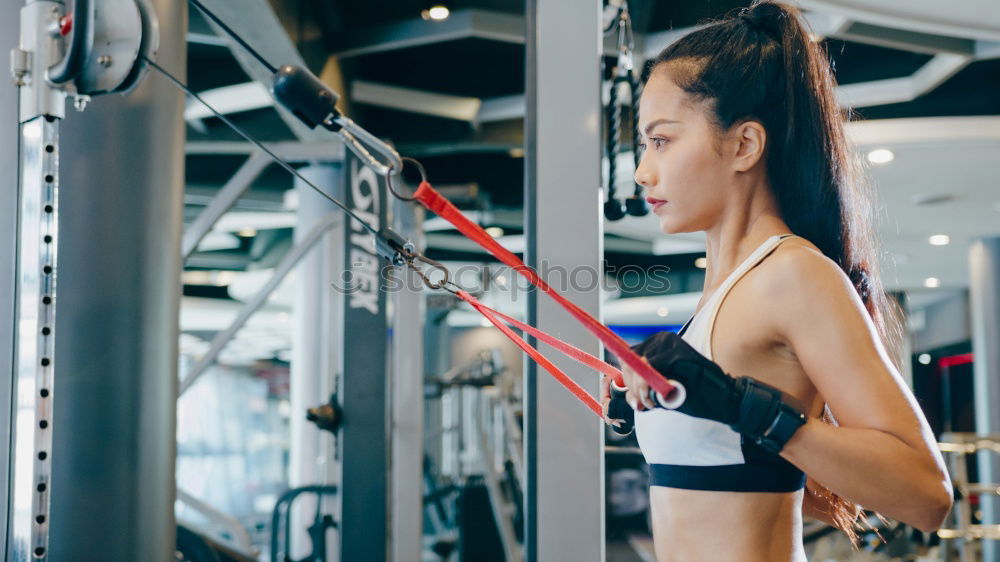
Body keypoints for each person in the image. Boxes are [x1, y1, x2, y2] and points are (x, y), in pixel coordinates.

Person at [599, 2, 953, 560]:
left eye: (661, 141)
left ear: (744, 146)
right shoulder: (727, 289)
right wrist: (674, 408)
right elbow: (781, 484)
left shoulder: (793, 274)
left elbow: (927, 496)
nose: (643, 171)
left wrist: (743, 406)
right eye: (645, 145)